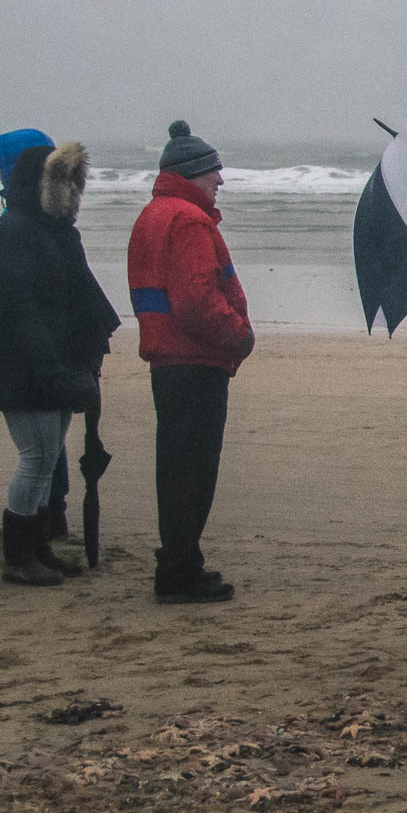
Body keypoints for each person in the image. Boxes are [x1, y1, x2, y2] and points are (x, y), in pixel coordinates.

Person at [0, 140, 119, 586]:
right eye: (65, 181)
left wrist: (91, 341)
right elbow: (18, 309)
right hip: (25, 365)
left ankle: (37, 547)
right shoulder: (14, 231)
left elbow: (78, 294)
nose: (73, 191)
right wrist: (50, 367)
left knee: (45, 456)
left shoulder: (56, 231)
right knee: (36, 456)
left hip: (57, 361)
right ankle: (18, 555)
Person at [126, 122, 253, 604]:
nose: (220, 179)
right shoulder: (189, 221)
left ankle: (179, 562)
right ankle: (179, 570)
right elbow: (198, 301)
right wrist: (238, 336)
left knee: (176, 467)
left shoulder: (154, 214)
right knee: (193, 471)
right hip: (195, 360)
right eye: (212, 171)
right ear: (192, 174)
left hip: (169, 360)